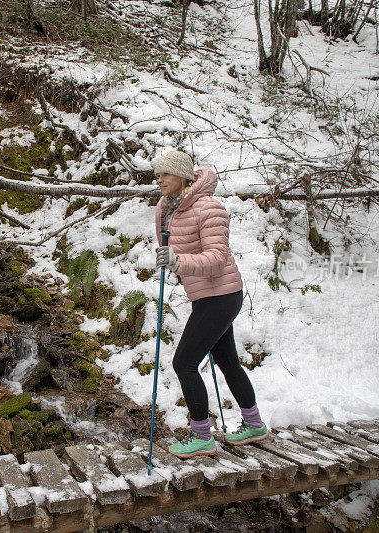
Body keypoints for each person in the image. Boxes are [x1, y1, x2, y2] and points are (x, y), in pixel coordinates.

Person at [152, 150, 268, 459]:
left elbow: (217, 258)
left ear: (183, 176)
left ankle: (202, 436)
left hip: (221, 295)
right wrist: (168, 256)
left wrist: (177, 261)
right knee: (227, 361)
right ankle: (254, 424)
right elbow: (170, 244)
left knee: (184, 364)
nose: (159, 179)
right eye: (158, 173)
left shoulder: (209, 209)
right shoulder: (166, 208)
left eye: (165, 173)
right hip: (206, 296)